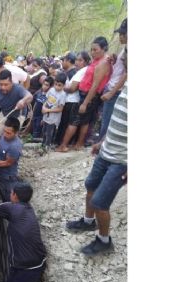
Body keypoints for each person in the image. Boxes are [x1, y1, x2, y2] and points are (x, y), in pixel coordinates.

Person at [66, 49, 127, 255]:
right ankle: (88, 221)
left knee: (101, 202)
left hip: (122, 160)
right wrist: (102, 141)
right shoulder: (124, 85)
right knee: (90, 185)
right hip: (107, 149)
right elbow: (119, 121)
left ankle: (104, 240)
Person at [72, 36, 112, 149]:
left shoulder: (103, 63)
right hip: (85, 93)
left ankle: (79, 144)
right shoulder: (97, 60)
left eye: (95, 50)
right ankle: (78, 143)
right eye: (92, 50)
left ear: (104, 49)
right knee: (83, 119)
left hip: (91, 96)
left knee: (85, 121)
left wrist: (85, 103)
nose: (92, 52)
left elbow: (95, 85)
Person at [99, 18, 128, 140]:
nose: (120, 37)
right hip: (113, 89)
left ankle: (101, 150)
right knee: (106, 121)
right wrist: (116, 60)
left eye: (123, 34)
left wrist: (111, 92)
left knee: (107, 123)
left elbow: (127, 73)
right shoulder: (126, 48)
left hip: (115, 91)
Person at [0, 69, 32, 136]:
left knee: (9, 135)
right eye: (1, 84)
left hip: (18, 116)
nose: (3, 87)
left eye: (6, 84)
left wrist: (23, 100)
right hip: (4, 113)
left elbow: (30, 96)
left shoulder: (18, 89)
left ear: (11, 82)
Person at [0, 117, 23, 202]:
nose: (5, 134)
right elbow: (1, 145)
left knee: (8, 199)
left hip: (6, 176)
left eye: (8, 133)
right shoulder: (5, 135)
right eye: (4, 131)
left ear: (16, 133)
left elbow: (7, 163)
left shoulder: (15, 147)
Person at [55, 52, 78, 146]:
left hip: (69, 102)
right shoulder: (69, 72)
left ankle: (61, 143)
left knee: (65, 123)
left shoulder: (72, 74)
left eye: (63, 60)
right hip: (65, 101)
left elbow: (71, 89)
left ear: (68, 61)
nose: (62, 62)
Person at [41, 72, 67, 148]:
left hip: (53, 119)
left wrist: (47, 110)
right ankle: (43, 145)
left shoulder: (63, 95)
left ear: (64, 85)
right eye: (55, 84)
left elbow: (60, 108)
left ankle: (47, 147)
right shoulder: (51, 90)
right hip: (46, 115)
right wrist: (43, 107)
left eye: (59, 85)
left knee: (49, 133)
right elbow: (46, 99)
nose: (57, 87)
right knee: (44, 131)